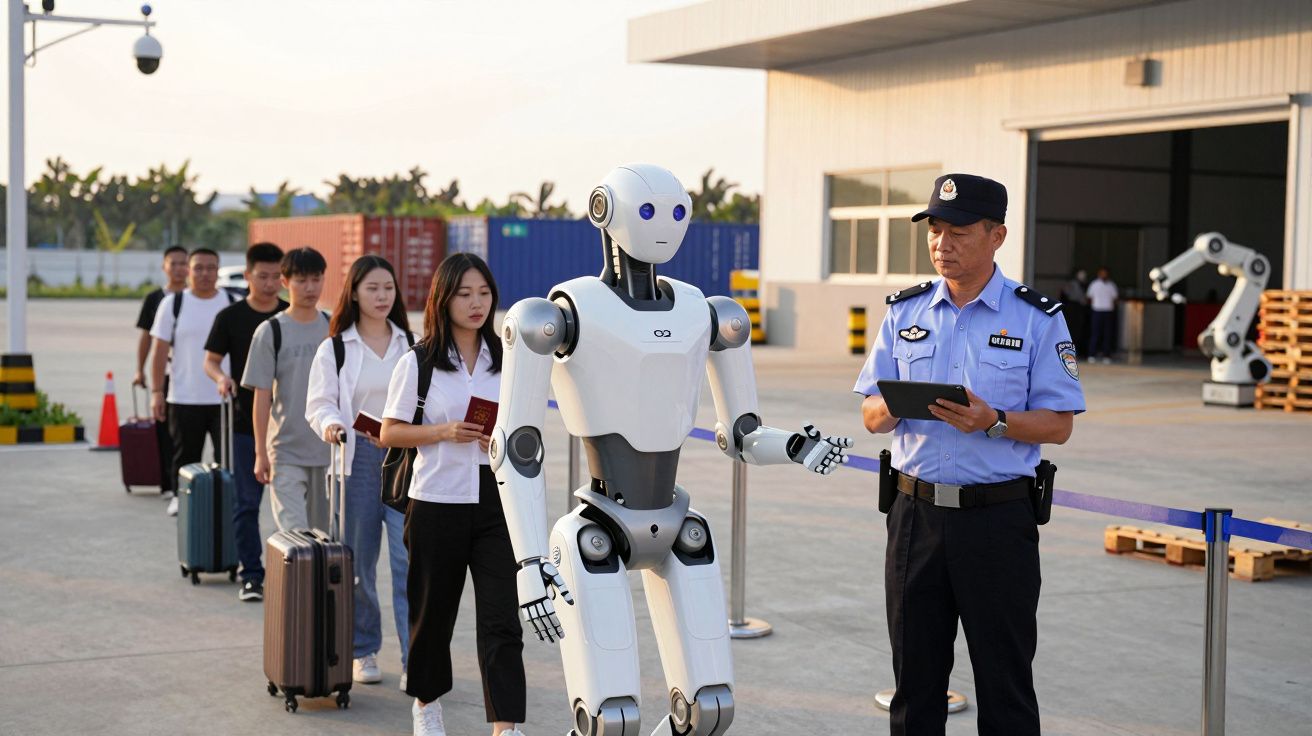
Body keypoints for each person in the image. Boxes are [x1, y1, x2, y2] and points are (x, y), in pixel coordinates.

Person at [854, 173, 1085, 736]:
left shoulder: (1037, 317)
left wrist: (996, 421)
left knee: (1005, 686)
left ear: (997, 235)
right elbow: (869, 415)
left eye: (958, 231)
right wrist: (893, 408)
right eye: (935, 230)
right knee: (915, 685)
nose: (942, 243)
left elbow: (1058, 425)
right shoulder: (904, 312)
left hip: (997, 523)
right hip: (915, 520)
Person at [380, 254, 525, 736]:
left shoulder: (508, 362)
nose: (476, 303)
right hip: (435, 499)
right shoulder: (417, 362)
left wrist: (500, 439)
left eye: (484, 292)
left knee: (502, 618)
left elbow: (526, 431)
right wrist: (443, 431)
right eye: (464, 294)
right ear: (444, 299)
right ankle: (426, 705)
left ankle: (505, 724)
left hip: (495, 499)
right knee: (432, 614)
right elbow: (390, 432)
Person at [306, 255, 413, 689]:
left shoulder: (413, 343)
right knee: (359, 564)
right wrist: (331, 424)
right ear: (353, 292)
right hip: (358, 462)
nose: (382, 296)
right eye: (372, 288)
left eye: (388, 287)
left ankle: (415, 658)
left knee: (410, 563)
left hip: (406, 462)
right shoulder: (334, 347)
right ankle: (364, 649)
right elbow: (320, 402)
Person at [202, 242, 286, 602]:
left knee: (293, 508)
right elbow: (211, 360)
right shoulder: (231, 317)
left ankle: (297, 572)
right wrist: (220, 378)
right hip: (244, 426)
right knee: (247, 504)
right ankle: (252, 573)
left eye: (276, 276)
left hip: (290, 428)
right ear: (248, 275)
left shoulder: (291, 316)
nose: (270, 284)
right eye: (262, 276)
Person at [242, 247, 331, 533]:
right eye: (301, 280)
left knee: (324, 538)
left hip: (329, 452)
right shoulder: (270, 331)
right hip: (285, 451)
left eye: (316, 279)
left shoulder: (335, 328)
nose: (310, 288)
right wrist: (260, 452)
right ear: (285, 282)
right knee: (295, 537)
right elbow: (262, 396)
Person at [149, 248, 237, 517]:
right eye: (199, 268)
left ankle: (225, 500)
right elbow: (160, 350)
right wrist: (156, 392)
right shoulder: (173, 304)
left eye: (211, 268)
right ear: (188, 270)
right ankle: (180, 497)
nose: (205, 274)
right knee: (185, 454)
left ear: (218, 271)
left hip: (224, 397)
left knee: (227, 456)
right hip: (184, 395)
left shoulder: (231, 302)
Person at [133, 245, 189, 496]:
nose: (178, 269)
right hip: (163, 375)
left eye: (182, 263)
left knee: (186, 432)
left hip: (189, 375)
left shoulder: (197, 297)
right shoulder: (155, 299)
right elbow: (146, 338)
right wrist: (140, 370)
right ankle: (168, 483)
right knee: (164, 429)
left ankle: (189, 483)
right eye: (173, 263)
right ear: (164, 267)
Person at [1086, 267, 1118, 364]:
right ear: (1099, 274)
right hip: (1097, 311)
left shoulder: (1111, 285)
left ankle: (1106, 355)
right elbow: (1089, 297)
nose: (1104, 275)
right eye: (1102, 273)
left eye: (1105, 273)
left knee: (1107, 334)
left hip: (1108, 311)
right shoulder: (1094, 284)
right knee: (1095, 333)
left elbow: (1115, 298)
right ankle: (1091, 354)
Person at [1059, 268, 1089, 358]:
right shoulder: (1072, 284)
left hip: (1078, 309)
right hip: (1072, 309)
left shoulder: (1083, 285)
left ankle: (1076, 351)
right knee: (1072, 331)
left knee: (1078, 331)